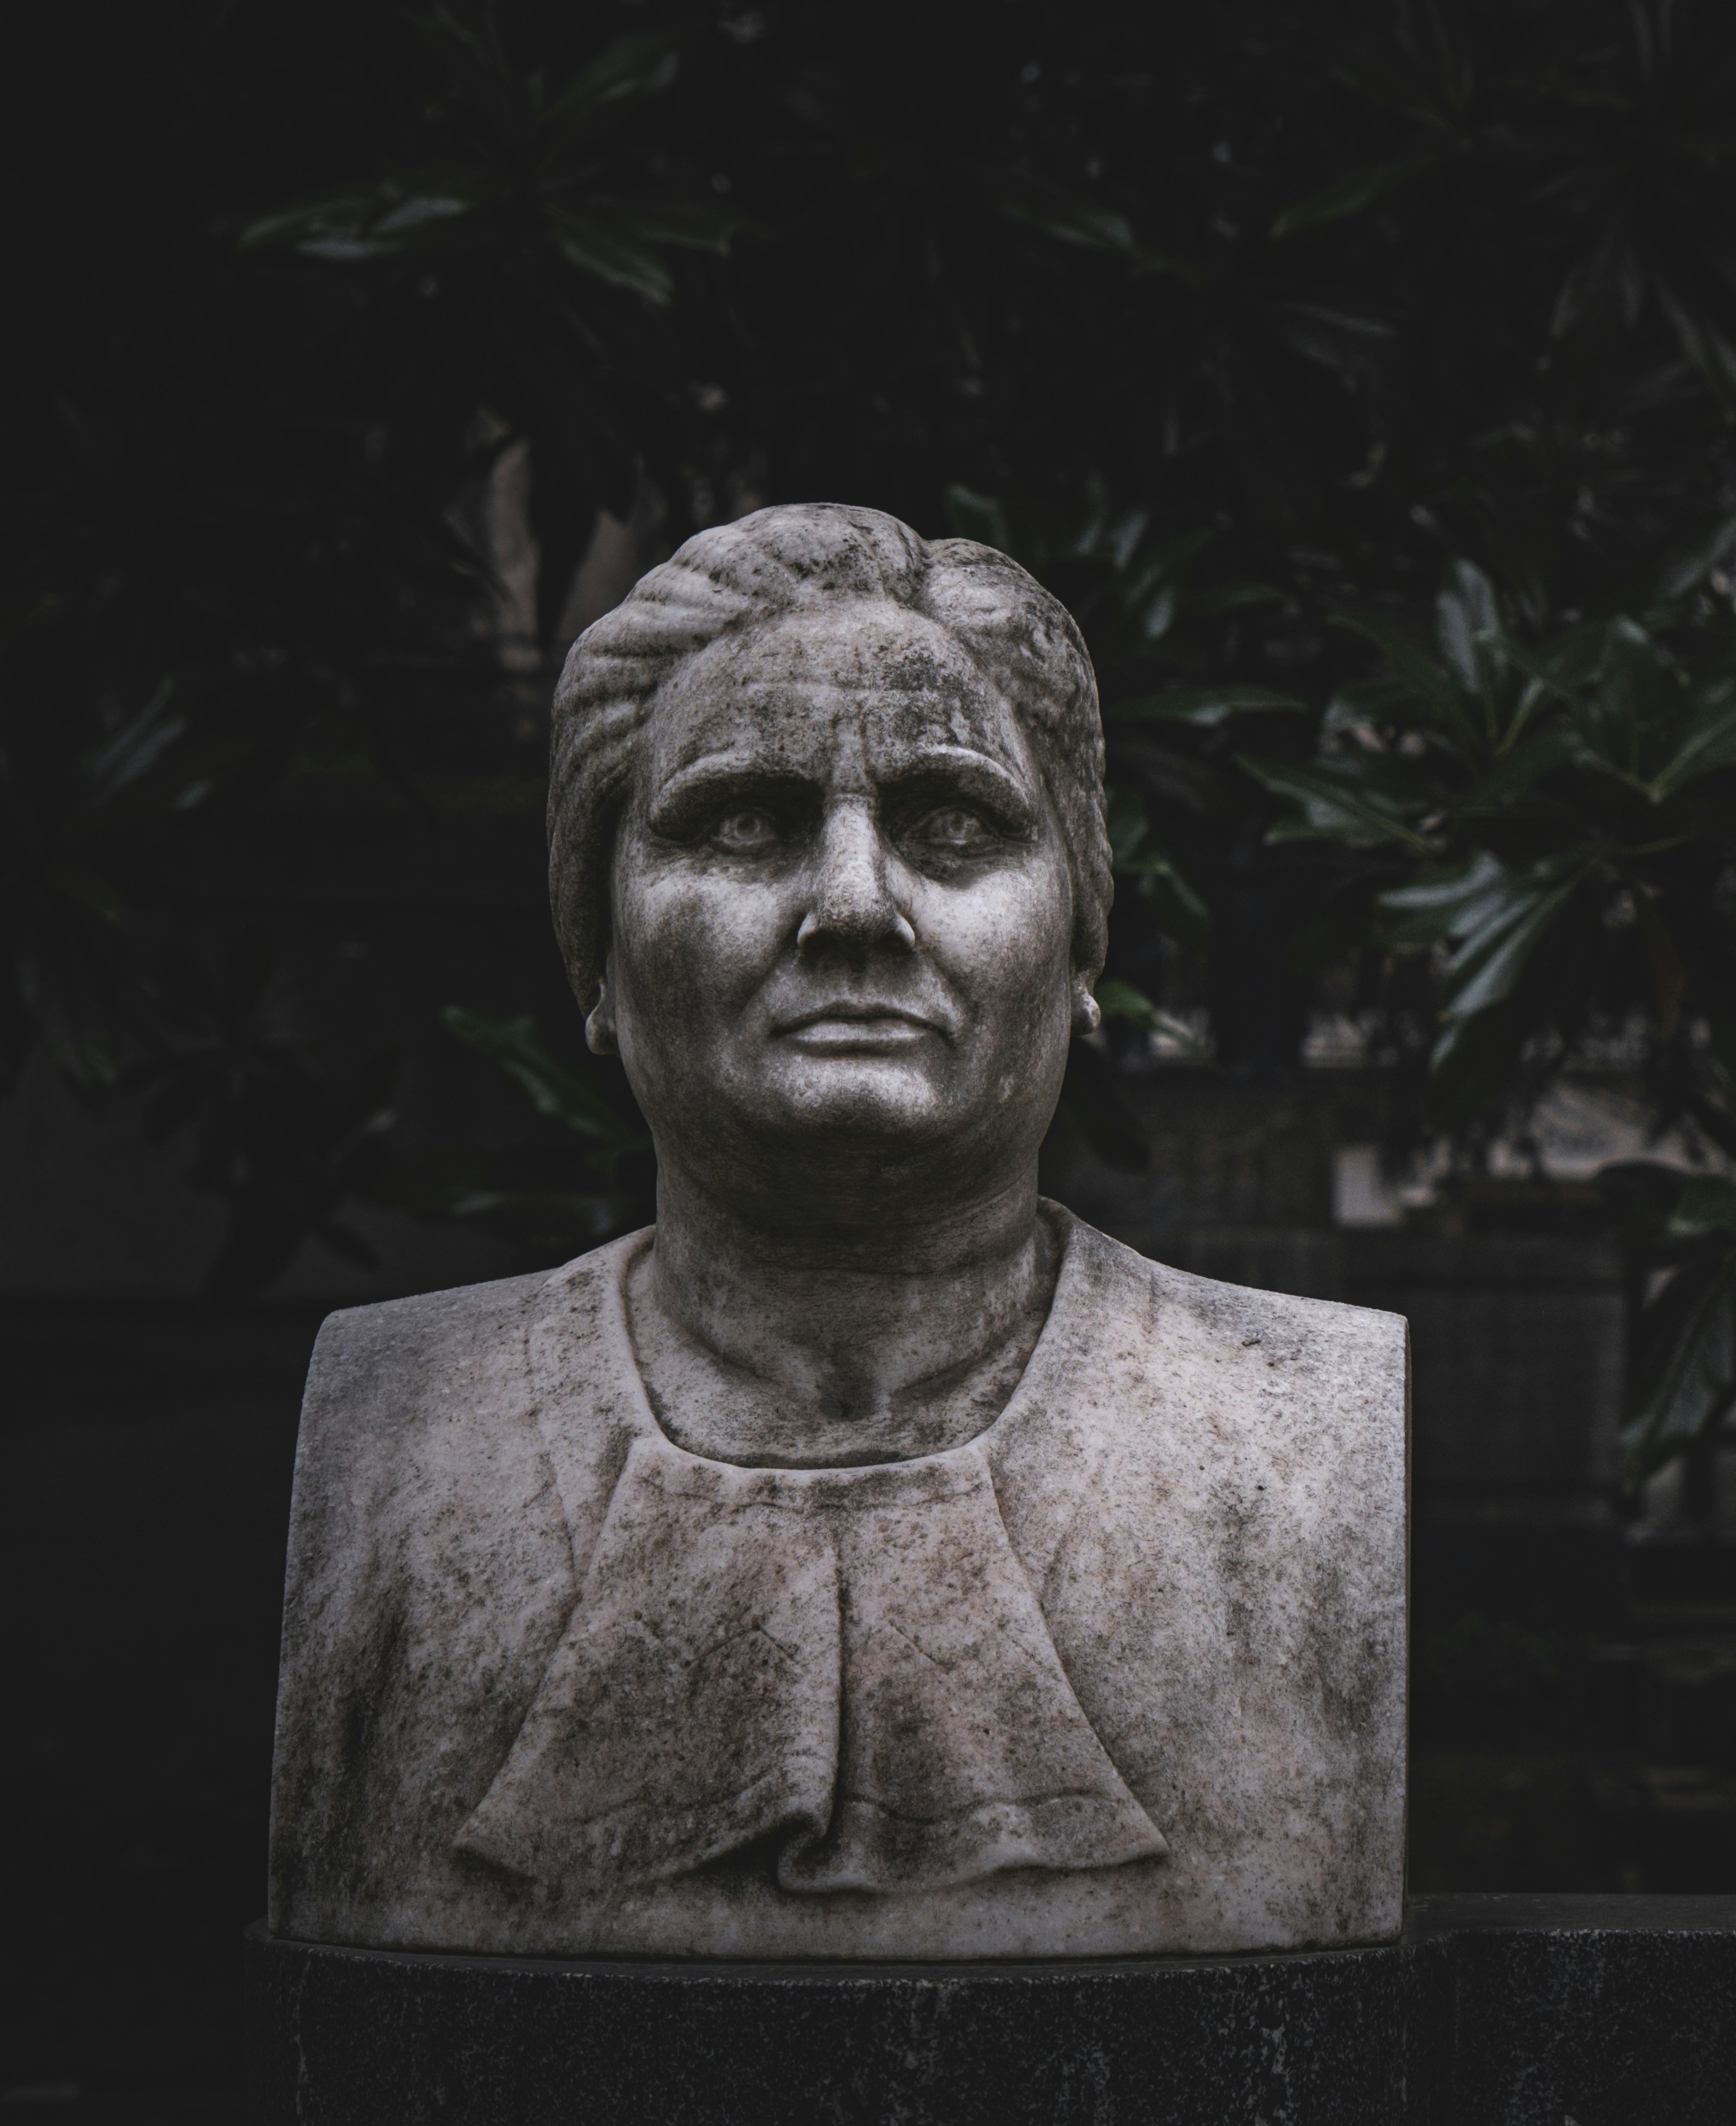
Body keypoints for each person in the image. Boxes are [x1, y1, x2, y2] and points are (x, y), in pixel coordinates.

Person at [266, 505, 1405, 1959]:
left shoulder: (1306, 1433)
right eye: (746, 822)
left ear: (1084, 941)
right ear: (595, 953)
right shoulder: (399, 1430)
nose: (855, 908)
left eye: (955, 826)